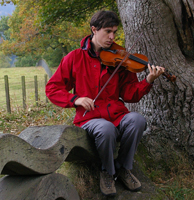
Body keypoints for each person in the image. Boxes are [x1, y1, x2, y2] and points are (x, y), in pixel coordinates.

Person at [45, 10, 165, 196]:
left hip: (116, 114)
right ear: (94, 29)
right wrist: (76, 99)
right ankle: (107, 172)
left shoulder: (121, 58)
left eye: (114, 32)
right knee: (106, 129)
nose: (112, 37)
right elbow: (52, 89)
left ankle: (124, 168)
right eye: (107, 31)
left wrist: (148, 80)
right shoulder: (75, 57)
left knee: (137, 120)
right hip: (90, 118)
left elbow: (130, 94)